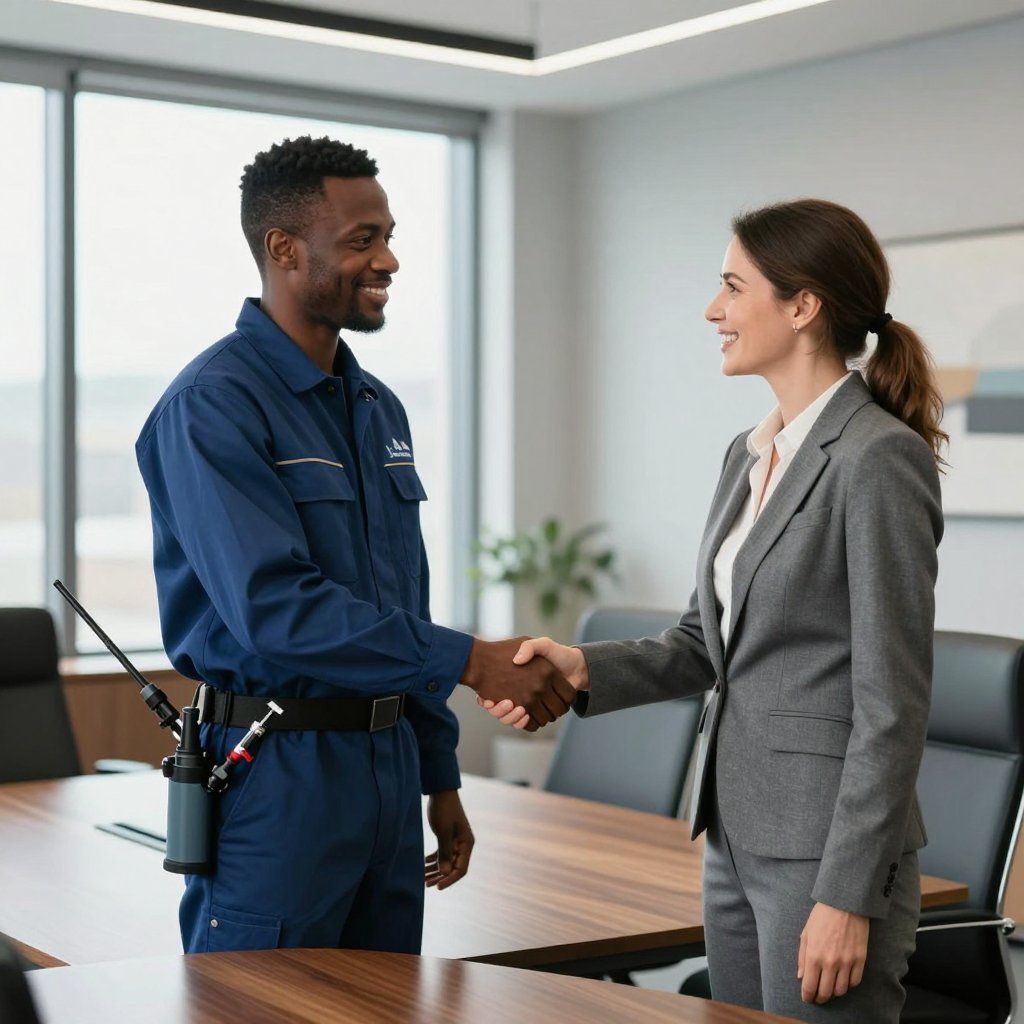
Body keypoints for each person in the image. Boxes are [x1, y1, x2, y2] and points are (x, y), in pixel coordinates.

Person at [481, 198, 946, 1022]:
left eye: (733, 287)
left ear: (803, 307)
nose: (713, 310)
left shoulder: (877, 460)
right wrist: (585, 666)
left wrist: (847, 894)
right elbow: (709, 641)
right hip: (732, 833)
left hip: (824, 853)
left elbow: (892, 703)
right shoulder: (749, 453)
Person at [136, 135, 576, 955]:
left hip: (386, 770)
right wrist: (475, 660)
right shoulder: (212, 405)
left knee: (387, 1007)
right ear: (283, 248)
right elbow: (277, 610)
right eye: (363, 240)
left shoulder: (376, 407)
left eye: (389, 236)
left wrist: (438, 776)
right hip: (278, 773)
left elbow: (398, 604)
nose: (390, 260)